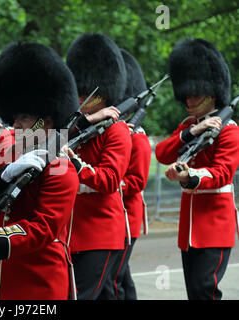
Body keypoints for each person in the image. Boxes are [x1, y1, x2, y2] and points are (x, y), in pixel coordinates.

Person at [0, 42, 80, 300]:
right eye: (13, 118)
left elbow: (44, 227)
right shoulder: (11, 156)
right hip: (3, 278)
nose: (14, 125)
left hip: (39, 281)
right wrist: (3, 174)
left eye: (23, 119)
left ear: (46, 120)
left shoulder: (61, 167)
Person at [155, 38, 238, 300]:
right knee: (194, 293)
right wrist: (192, 131)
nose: (188, 99)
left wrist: (189, 176)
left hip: (215, 225)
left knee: (205, 290)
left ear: (211, 92)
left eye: (195, 93)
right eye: (186, 93)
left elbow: (222, 172)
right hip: (189, 228)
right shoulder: (188, 127)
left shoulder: (230, 130)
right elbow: (162, 153)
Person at [64, 32, 132, 300]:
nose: (80, 97)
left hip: (99, 234)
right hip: (69, 230)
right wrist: (82, 121)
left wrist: (75, 164)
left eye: (86, 92)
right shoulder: (71, 126)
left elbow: (109, 180)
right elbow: (40, 141)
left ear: (102, 94)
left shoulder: (117, 131)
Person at [106, 49, 152, 300]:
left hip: (126, 218)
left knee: (116, 277)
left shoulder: (138, 137)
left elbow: (136, 181)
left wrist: (104, 183)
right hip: (111, 215)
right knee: (119, 275)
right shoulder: (114, 131)